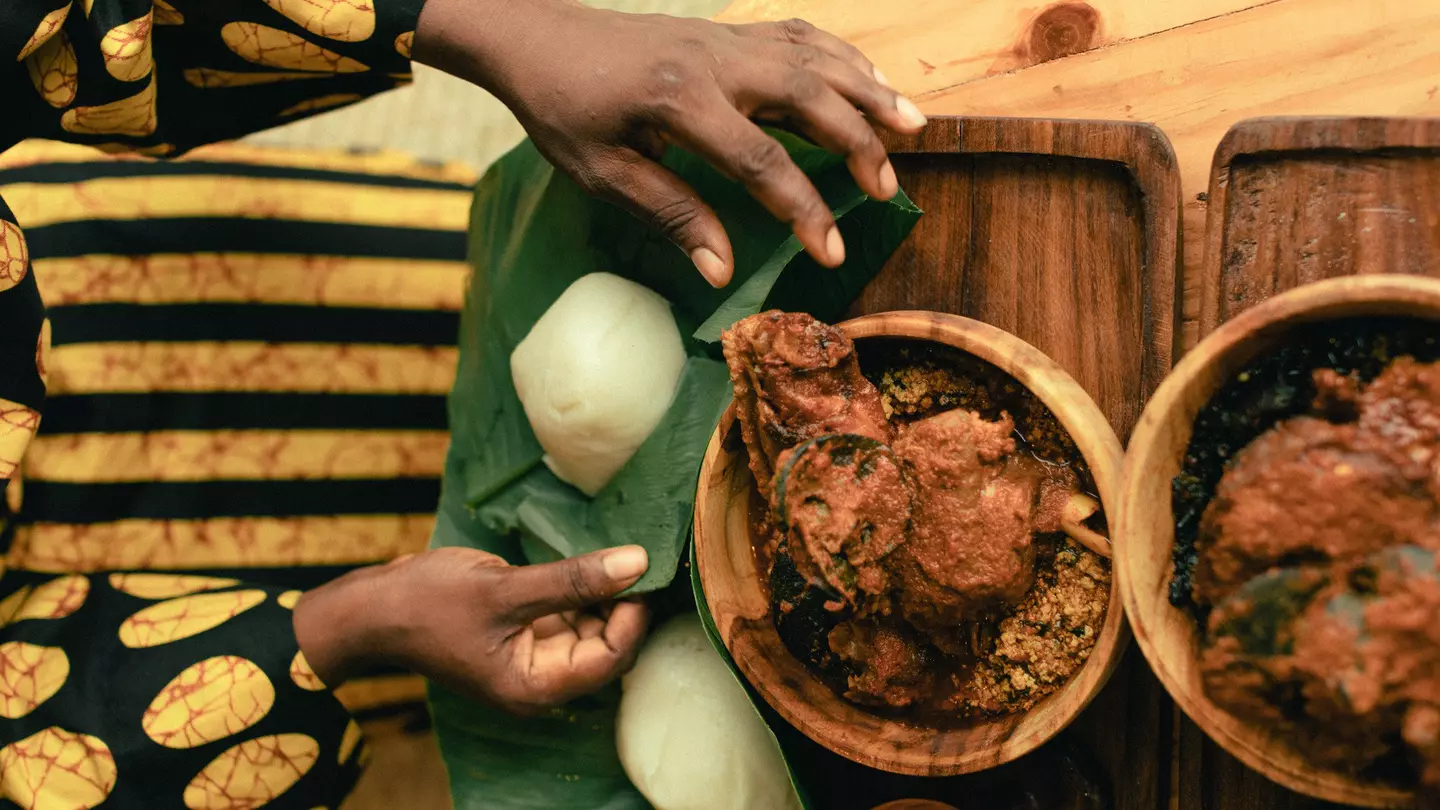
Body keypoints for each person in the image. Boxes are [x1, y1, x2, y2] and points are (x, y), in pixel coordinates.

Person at [0, 0, 925, 805]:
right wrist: (358, 624)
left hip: (147, 289)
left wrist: (489, 23)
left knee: (519, 310)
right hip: (136, 652)